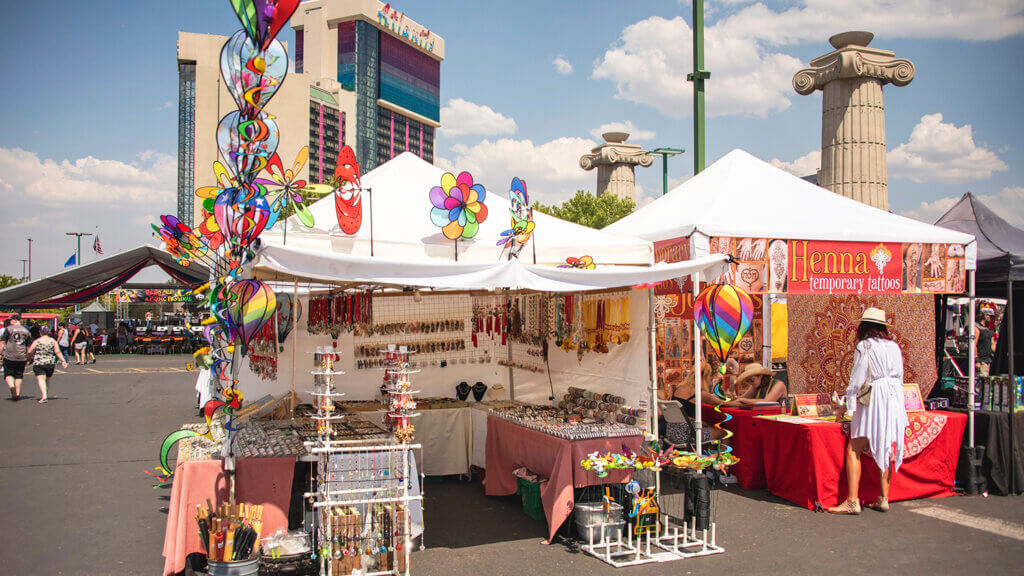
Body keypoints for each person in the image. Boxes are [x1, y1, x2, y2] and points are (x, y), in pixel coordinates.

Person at [829, 307, 909, 515]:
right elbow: (900, 376)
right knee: (885, 445)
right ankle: (883, 497)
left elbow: (857, 379)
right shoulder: (894, 347)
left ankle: (852, 500)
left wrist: (849, 405)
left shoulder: (865, 346)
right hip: (892, 396)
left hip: (874, 397)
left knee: (854, 447)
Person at [27, 326, 67, 403]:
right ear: (48, 332)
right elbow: (58, 352)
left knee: (41, 379)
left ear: (40, 332)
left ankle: (44, 396)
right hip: (50, 362)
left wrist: (28, 357)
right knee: (47, 379)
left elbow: (30, 351)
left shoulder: (37, 341)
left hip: (39, 362)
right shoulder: (52, 341)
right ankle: (45, 394)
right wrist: (63, 360)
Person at [723, 363, 789, 406]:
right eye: (747, 381)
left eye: (752, 380)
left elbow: (767, 402)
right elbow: (742, 398)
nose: (750, 383)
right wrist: (732, 398)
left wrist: (742, 400)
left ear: (761, 376)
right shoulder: (756, 385)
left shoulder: (779, 385)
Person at [1, 315, 33, 401]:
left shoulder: (9, 329)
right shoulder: (26, 331)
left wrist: (0, 353)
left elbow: (3, 342)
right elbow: (28, 346)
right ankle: (17, 393)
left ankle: (12, 386)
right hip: (21, 356)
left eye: (11, 320)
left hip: (9, 355)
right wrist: (29, 356)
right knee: (19, 375)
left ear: (15, 320)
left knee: (8, 374)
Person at [975, 308, 996, 377]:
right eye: (991, 317)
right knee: (981, 382)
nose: (992, 319)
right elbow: (973, 345)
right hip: (981, 361)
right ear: (986, 316)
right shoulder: (977, 327)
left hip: (988, 361)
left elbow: (992, 344)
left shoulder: (989, 329)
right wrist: (976, 361)